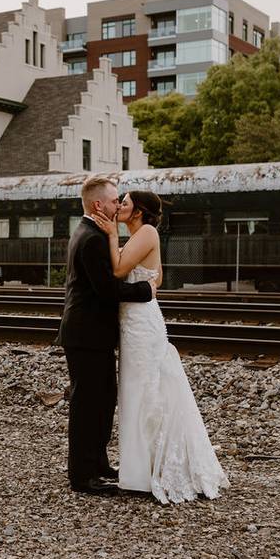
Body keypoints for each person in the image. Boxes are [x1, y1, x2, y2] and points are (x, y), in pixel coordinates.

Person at [91, 190, 229, 504]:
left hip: (141, 324)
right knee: (136, 389)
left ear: (138, 211)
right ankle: (139, 468)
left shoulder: (146, 232)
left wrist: (111, 235)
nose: (118, 208)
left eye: (123, 204)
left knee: (144, 389)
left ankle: (152, 467)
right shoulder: (141, 236)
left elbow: (117, 270)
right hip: (136, 321)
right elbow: (159, 277)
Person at [56, 177, 156, 495]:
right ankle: (82, 476)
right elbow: (107, 290)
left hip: (90, 334)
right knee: (87, 404)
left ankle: (97, 463)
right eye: (115, 200)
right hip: (86, 335)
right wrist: (145, 290)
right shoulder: (93, 238)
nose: (117, 205)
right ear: (99, 204)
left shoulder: (92, 232)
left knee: (102, 401)